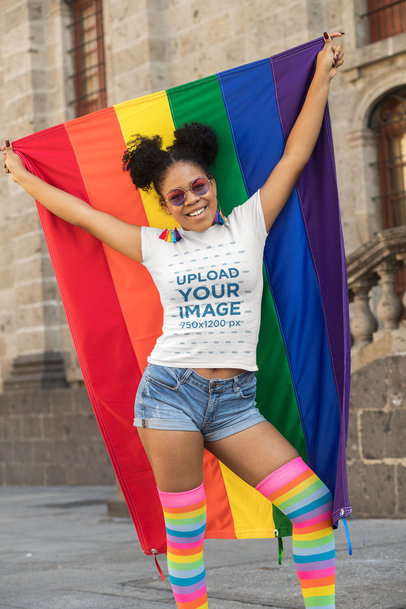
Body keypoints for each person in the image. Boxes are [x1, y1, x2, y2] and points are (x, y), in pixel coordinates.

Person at [2, 32, 344, 609]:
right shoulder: (155, 245)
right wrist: (20, 174)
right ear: (164, 204)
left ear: (212, 184)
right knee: (186, 535)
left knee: (311, 505)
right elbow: (83, 215)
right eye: (177, 195)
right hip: (170, 395)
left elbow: (295, 156)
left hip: (237, 401)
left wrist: (323, 74)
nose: (191, 200)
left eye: (198, 187)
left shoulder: (247, 224)